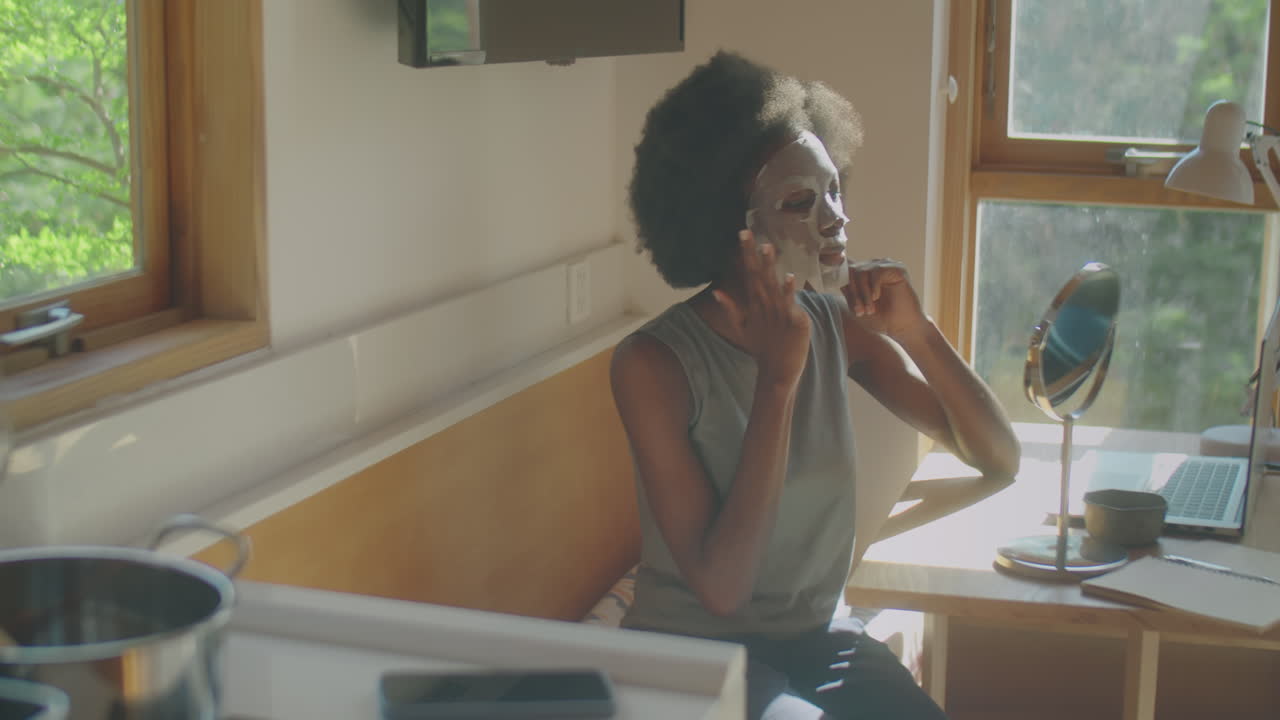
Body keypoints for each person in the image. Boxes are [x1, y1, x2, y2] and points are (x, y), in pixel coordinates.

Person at [610, 50, 1021, 719]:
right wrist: (778, 383)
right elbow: (722, 589)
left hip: (815, 639)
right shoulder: (653, 363)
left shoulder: (834, 323)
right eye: (802, 201)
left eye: (835, 191)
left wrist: (916, 332)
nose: (835, 219)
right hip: (695, 650)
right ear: (730, 224)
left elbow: (998, 457)